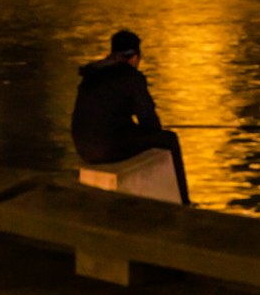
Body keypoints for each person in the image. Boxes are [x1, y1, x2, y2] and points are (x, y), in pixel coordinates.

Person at [71, 28, 190, 203]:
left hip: (83, 148)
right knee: (169, 139)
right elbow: (149, 122)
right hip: (107, 149)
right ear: (135, 57)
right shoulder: (131, 77)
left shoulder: (92, 74)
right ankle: (185, 201)